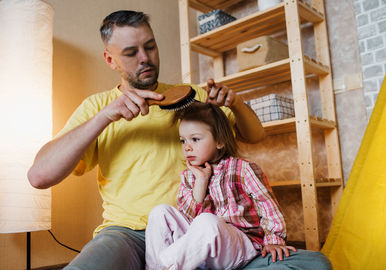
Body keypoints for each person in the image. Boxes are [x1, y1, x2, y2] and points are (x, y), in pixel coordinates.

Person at [27, 10, 331, 270]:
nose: (145, 59)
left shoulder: (193, 96)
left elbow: (255, 135)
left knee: (316, 264)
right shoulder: (97, 108)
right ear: (110, 59)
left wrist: (236, 103)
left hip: (203, 229)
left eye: (150, 47)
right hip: (128, 234)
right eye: (131, 53)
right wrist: (106, 117)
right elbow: (39, 176)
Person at [145, 101, 297, 270]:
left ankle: (169, 267)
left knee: (207, 221)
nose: (187, 147)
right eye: (183, 141)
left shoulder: (243, 169)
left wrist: (274, 240)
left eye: (195, 139)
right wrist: (201, 182)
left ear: (219, 141)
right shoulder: (189, 176)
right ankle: (156, 267)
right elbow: (187, 217)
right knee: (160, 212)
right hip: (200, 248)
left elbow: (268, 206)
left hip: (238, 244)